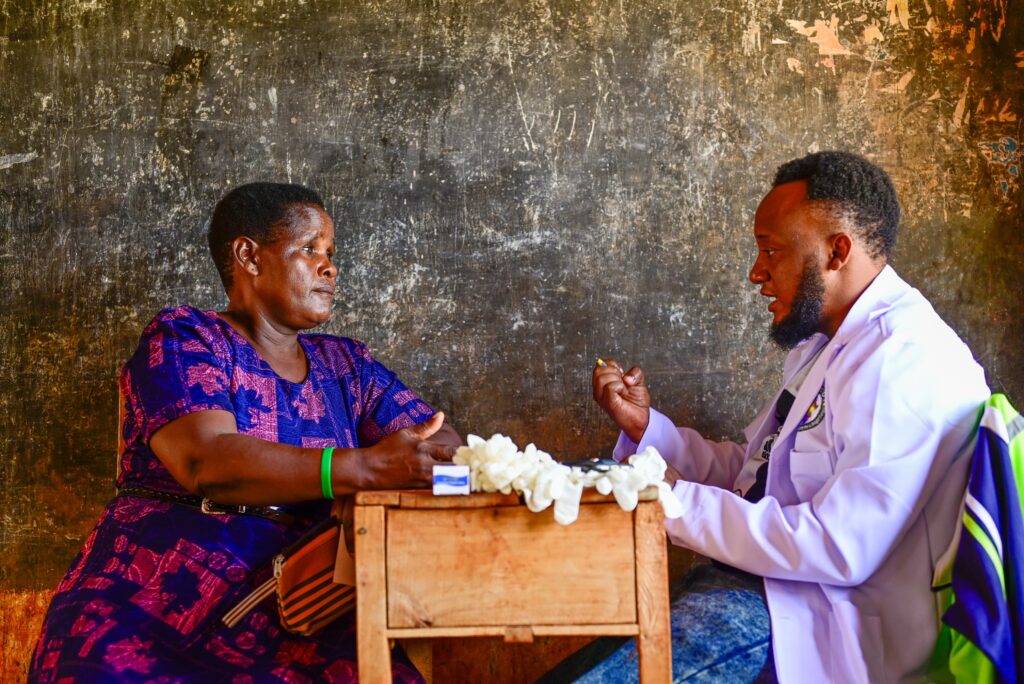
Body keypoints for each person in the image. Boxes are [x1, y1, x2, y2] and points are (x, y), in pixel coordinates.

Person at [571, 152, 990, 683]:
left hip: (820, 621)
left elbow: (838, 547)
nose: (756, 272)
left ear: (838, 251)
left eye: (771, 250)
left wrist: (665, 498)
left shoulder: (902, 359)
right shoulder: (825, 343)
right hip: (758, 590)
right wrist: (647, 431)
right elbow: (753, 475)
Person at [30, 182, 461, 682]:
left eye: (331, 253)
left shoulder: (348, 366)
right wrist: (362, 469)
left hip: (301, 606)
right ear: (248, 257)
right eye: (309, 249)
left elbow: (441, 444)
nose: (329, 267)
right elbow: (208, 461)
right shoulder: (185, 338)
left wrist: (396, 473)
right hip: (154, 606)